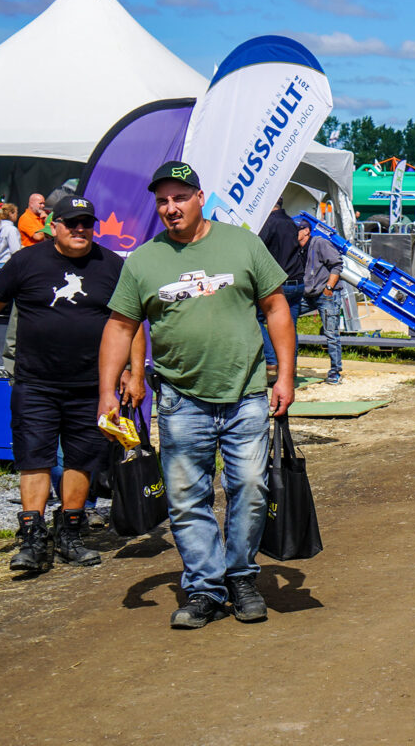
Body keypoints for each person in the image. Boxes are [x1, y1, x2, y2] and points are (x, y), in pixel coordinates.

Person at [97, 161, 296, 630]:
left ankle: (242, 577)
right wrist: (108, 390)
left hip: (246, 393)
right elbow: (120, 326)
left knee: (249, 487)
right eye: (163, 200)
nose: (171, 208)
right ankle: (206, 589)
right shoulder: (145, 260)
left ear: (199, 197)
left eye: (180, 198)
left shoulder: (242, 243)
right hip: (180, 400)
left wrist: (285, 376)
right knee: (187, 499)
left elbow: (276, 308)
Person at [0, 196, 138, 573]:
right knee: (34, 457)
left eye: (86, 223)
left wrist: (134, 371)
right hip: (35, 382)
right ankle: (33, 538)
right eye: (71, 223)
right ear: (55, 226)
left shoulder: (112, 266)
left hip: (91, 385)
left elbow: (129, 320)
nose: (79, 229)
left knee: (82, 460)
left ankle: (70, 534)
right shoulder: (26, 261)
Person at [258, 200, 306, 381]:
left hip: (279, 282)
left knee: (256, 318)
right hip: (297, 281)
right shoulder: (290, 222)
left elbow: (258, 248)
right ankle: (290, 368)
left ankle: (272, 361)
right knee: (289, 327)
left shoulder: (270, 223)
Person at [296, 216, 344, 386]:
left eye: (297, 230)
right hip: (307, 295)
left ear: (306, 231)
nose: (294, 233)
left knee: (331, 334)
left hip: (326, 295)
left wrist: (329, 288)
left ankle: (335, 371)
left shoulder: (320, 243)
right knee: (286, 319)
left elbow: (337, 265)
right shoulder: (297, 248)